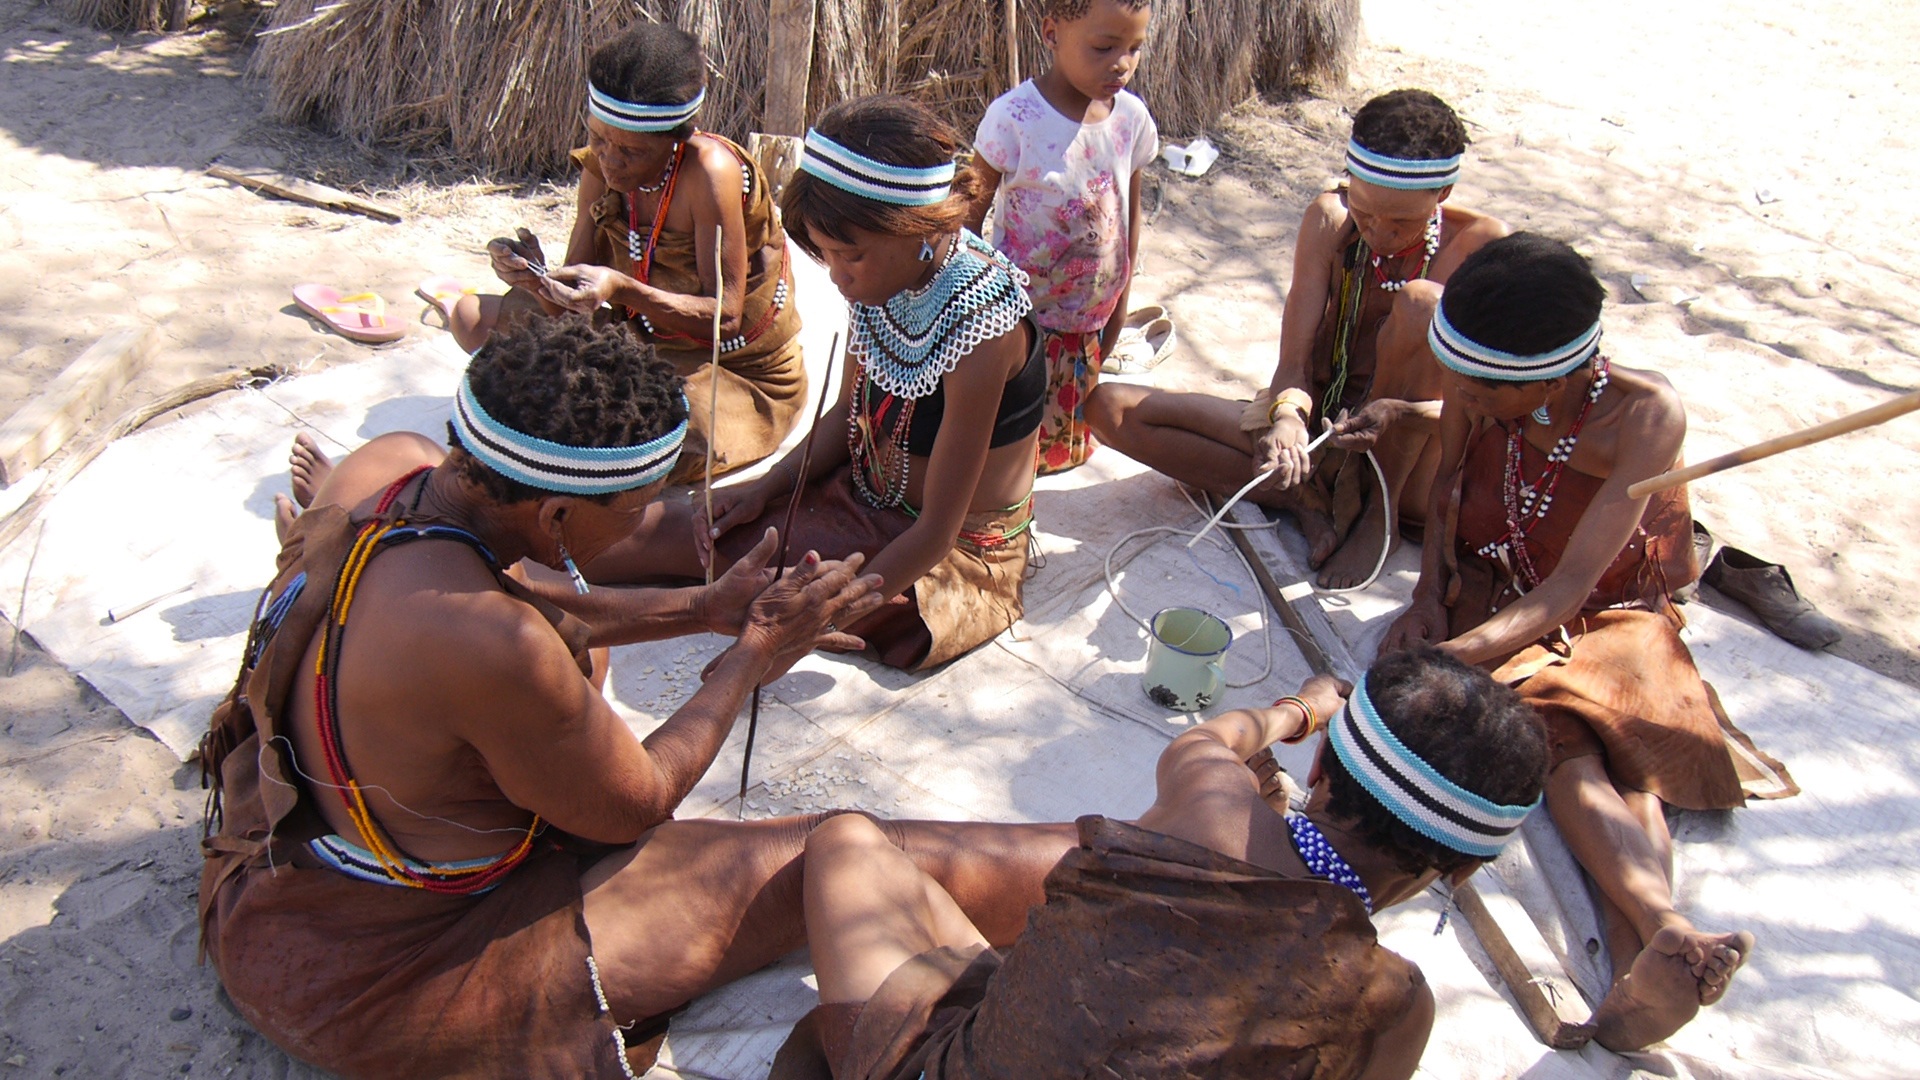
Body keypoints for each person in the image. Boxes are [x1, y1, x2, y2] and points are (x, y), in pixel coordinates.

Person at [199, 315, 1076, 1078]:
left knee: (575, 663)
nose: (651, 526)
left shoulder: (392, 475)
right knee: (830, 854)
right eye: (635, 509)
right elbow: (635, 807)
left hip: (293, 873)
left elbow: (533, 597)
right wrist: (750, 658)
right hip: (403, 967)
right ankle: (1117, 863)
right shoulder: (491, 647)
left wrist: (701, 606)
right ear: (553, 518)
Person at [1378, 232, 1798, 1050]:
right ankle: (1666, 932)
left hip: (1609, 609)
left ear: (1555, 376)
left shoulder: (1646, 415)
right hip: (1501, 591)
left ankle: (1655, 944)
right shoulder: (1481, 376)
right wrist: (1430, 595)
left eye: (1480, 384)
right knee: (1561, 740)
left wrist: (1441, 661)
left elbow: (1570, 592)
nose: (1457, 390)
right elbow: (1450, 485)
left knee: (1630, 746)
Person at [769, 647, 1551, 1079]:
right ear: (1459, 872)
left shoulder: (1208, 801)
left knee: (846, 842)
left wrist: (1300, 708)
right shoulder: (1397, 1002)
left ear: (1318, 770)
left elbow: (1209, 740)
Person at [590, 96, 1046, 672]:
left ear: (918, 230)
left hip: (950, 556)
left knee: (759, 582)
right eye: (825, 256)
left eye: (849, 257)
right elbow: (843, 418)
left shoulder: (983, 324)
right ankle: (506, 571)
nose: (838, 277)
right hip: (863, 494)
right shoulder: (890, 279)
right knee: (693, 527)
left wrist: (807, 627)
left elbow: (934, 533)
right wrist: (770, 486)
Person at [1087, 89, 1507, 587]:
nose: (1378, 233)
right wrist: (1288, 418)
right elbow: (1295, 363)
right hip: (1324, 428)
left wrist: (1395, 413)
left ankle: (1378, 517)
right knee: (1109, 408)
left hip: (1410, 455)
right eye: (1366, 212)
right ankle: (1301, 496)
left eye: (1400, 223)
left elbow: (1483, 409)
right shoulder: (1332, 219)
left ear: (1443, 194)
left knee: (1421, 304)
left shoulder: (1479, 247)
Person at [436, 22, 806, 485]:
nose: (609, 159)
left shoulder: (710, 175)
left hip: (731, 369)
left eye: (630, 149)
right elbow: (572, 311)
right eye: (598, 139)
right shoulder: (602, 169)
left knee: (641, 439)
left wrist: (624, 287)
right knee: (471, 317)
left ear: (676, 141)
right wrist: (536, 280)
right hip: (633, 337)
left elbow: (725, 318)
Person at [966, 0, 1158, 474]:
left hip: (1089, 324)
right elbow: (967, 219)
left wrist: (1118, 311)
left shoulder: (1129, 120)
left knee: (1066, 447)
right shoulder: (1015, 118)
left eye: (1135, 47)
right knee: (1007, 449)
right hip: (1019, 323)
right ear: (1052, 34)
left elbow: (1128, 221)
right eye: (1104, 46)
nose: (1122, 63)